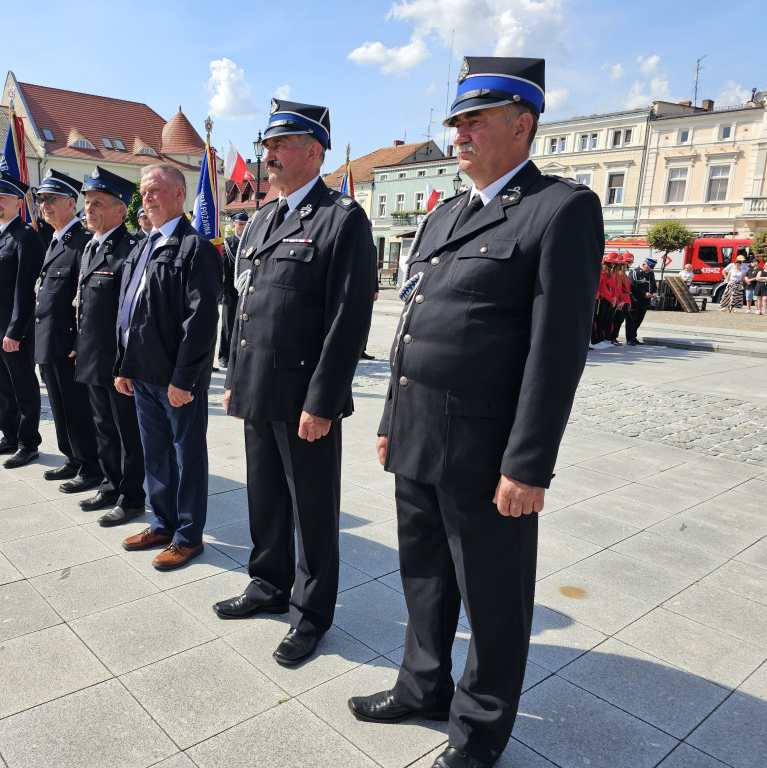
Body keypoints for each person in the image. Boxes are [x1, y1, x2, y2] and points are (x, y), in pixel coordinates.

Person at [346, 57, 603, 768]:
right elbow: (413, 326)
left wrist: (529, 464)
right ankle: (422, 686)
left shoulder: (560, 209)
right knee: (424, 577)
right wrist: (391, 420)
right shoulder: (445, 214)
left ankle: (480, 729)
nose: (458, 135)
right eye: (455, 122)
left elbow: (557, 352)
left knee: (492, 595)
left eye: (474, 121)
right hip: (419, 434)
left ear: (521, 125)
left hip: (487, 451)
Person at [214, 99, 376, 667]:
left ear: (314, 151)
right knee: (265, 496)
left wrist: (323, 401)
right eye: (267, 146)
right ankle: (268, 582)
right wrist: (234, 378)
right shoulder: (262, 218)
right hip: (257, 386)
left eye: (280, 145)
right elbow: (245, 306)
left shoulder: (341, 218)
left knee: (312, 508)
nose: (269, 156)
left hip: (305, 395)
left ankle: (310, 614)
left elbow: (347, 320)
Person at [114, 163, 221, 570]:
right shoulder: (144, 245)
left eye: (155, 190)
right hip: (142, 373)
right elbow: (129, 310)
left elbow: (201, 321)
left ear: (179, 194)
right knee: (155, 454)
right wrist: (124, 364)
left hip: (176, 379)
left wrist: (184, 379)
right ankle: (162, 523)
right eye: (143, 192)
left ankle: (188, 536)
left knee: (186, 457)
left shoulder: (196, 248)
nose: (147, 198)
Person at [74, 167, 146, 525]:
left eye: (98, 203)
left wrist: (126, 363)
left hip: (117, 361)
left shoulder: (129, 251)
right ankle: (110, 484)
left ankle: (132, 497)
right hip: (92, 356)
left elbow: (132, 315)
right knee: (103, 427)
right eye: (87, 202)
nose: (89, 209)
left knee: (127, 432)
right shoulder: (91, 247)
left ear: (120, 210)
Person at [33, 169, 104, 490]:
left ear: (71, 203)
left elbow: (87, 298)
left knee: (77, 409)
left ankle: (90, 466)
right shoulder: (56, 240)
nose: (44, 204)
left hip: (69, 345)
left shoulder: (82, 243)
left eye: (51, 199)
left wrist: (79, 341)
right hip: (50, 341)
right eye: (41, 199)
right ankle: (73, 457)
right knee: (60, 407)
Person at [0, 171, 45, 468]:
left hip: (15, 331)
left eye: (2, 197)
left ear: (18, 202)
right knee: (2, 387)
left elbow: (27, 290)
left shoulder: (27, 237)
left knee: (23, 388)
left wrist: (15, 331)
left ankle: (29, 444)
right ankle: (9, 436)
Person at [218, 211, 247, 368]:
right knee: (227, 326)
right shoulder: (227, 244)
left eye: (245, 224)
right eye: (240, 224)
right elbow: (224, 271)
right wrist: (225, 292)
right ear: (234, 226)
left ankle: (240, 355)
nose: (243, 227)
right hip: (231, 291)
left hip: (246, 290)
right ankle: (224, 355)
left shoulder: (252, 242)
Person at [626, 257, 658, 344]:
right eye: (648, 268)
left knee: (638, 320)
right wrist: (643, 294)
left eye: (651, 268)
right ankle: (629, 339)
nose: (649, 270)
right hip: (634, 301)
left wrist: (654, 292)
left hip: (644, 302)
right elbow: (631, 286)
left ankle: (634, 337)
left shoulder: (651, 273)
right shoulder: (634, 272)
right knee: (631, 320)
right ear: (643, 264)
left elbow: (653, 285)